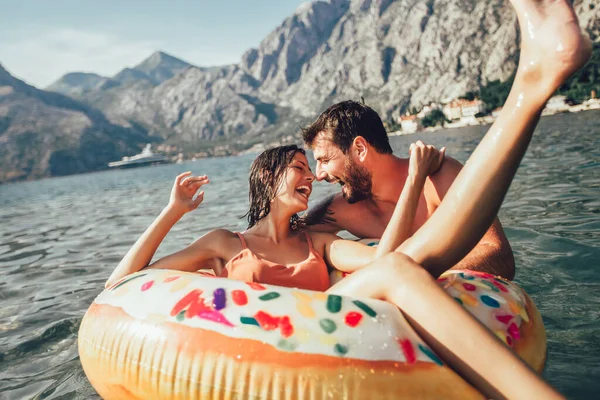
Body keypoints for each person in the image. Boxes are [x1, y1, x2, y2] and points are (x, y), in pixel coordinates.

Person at [105, 0, 591, 398]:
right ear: (267, 178)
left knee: (398, 268)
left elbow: (388, 257)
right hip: (264, 332)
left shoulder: (318, 238)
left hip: (332, 312)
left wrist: (420, 177)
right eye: (301, 168)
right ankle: (531, 85)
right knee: (401, 267)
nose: (315, 177)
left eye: (317, 165)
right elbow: (122, 286)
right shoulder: (228, 241)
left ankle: (532, 84)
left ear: (358, 149)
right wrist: (172, 212)